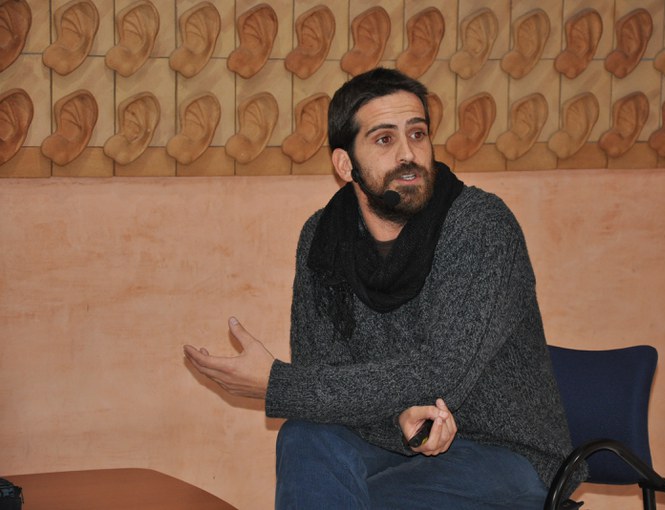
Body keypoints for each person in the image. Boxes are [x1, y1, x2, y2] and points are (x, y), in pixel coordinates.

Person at [184, 67, 582, 509]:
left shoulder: (480, 226)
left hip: (505, 452)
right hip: (392, 438)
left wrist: (278, 383)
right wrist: (397, 422)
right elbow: (324, 378)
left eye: (417, 134)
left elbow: (441, 373)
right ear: (345, 165)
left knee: (358, 499)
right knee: (306, 433)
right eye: (384, 139)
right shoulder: (323, 238)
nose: (408, 153)